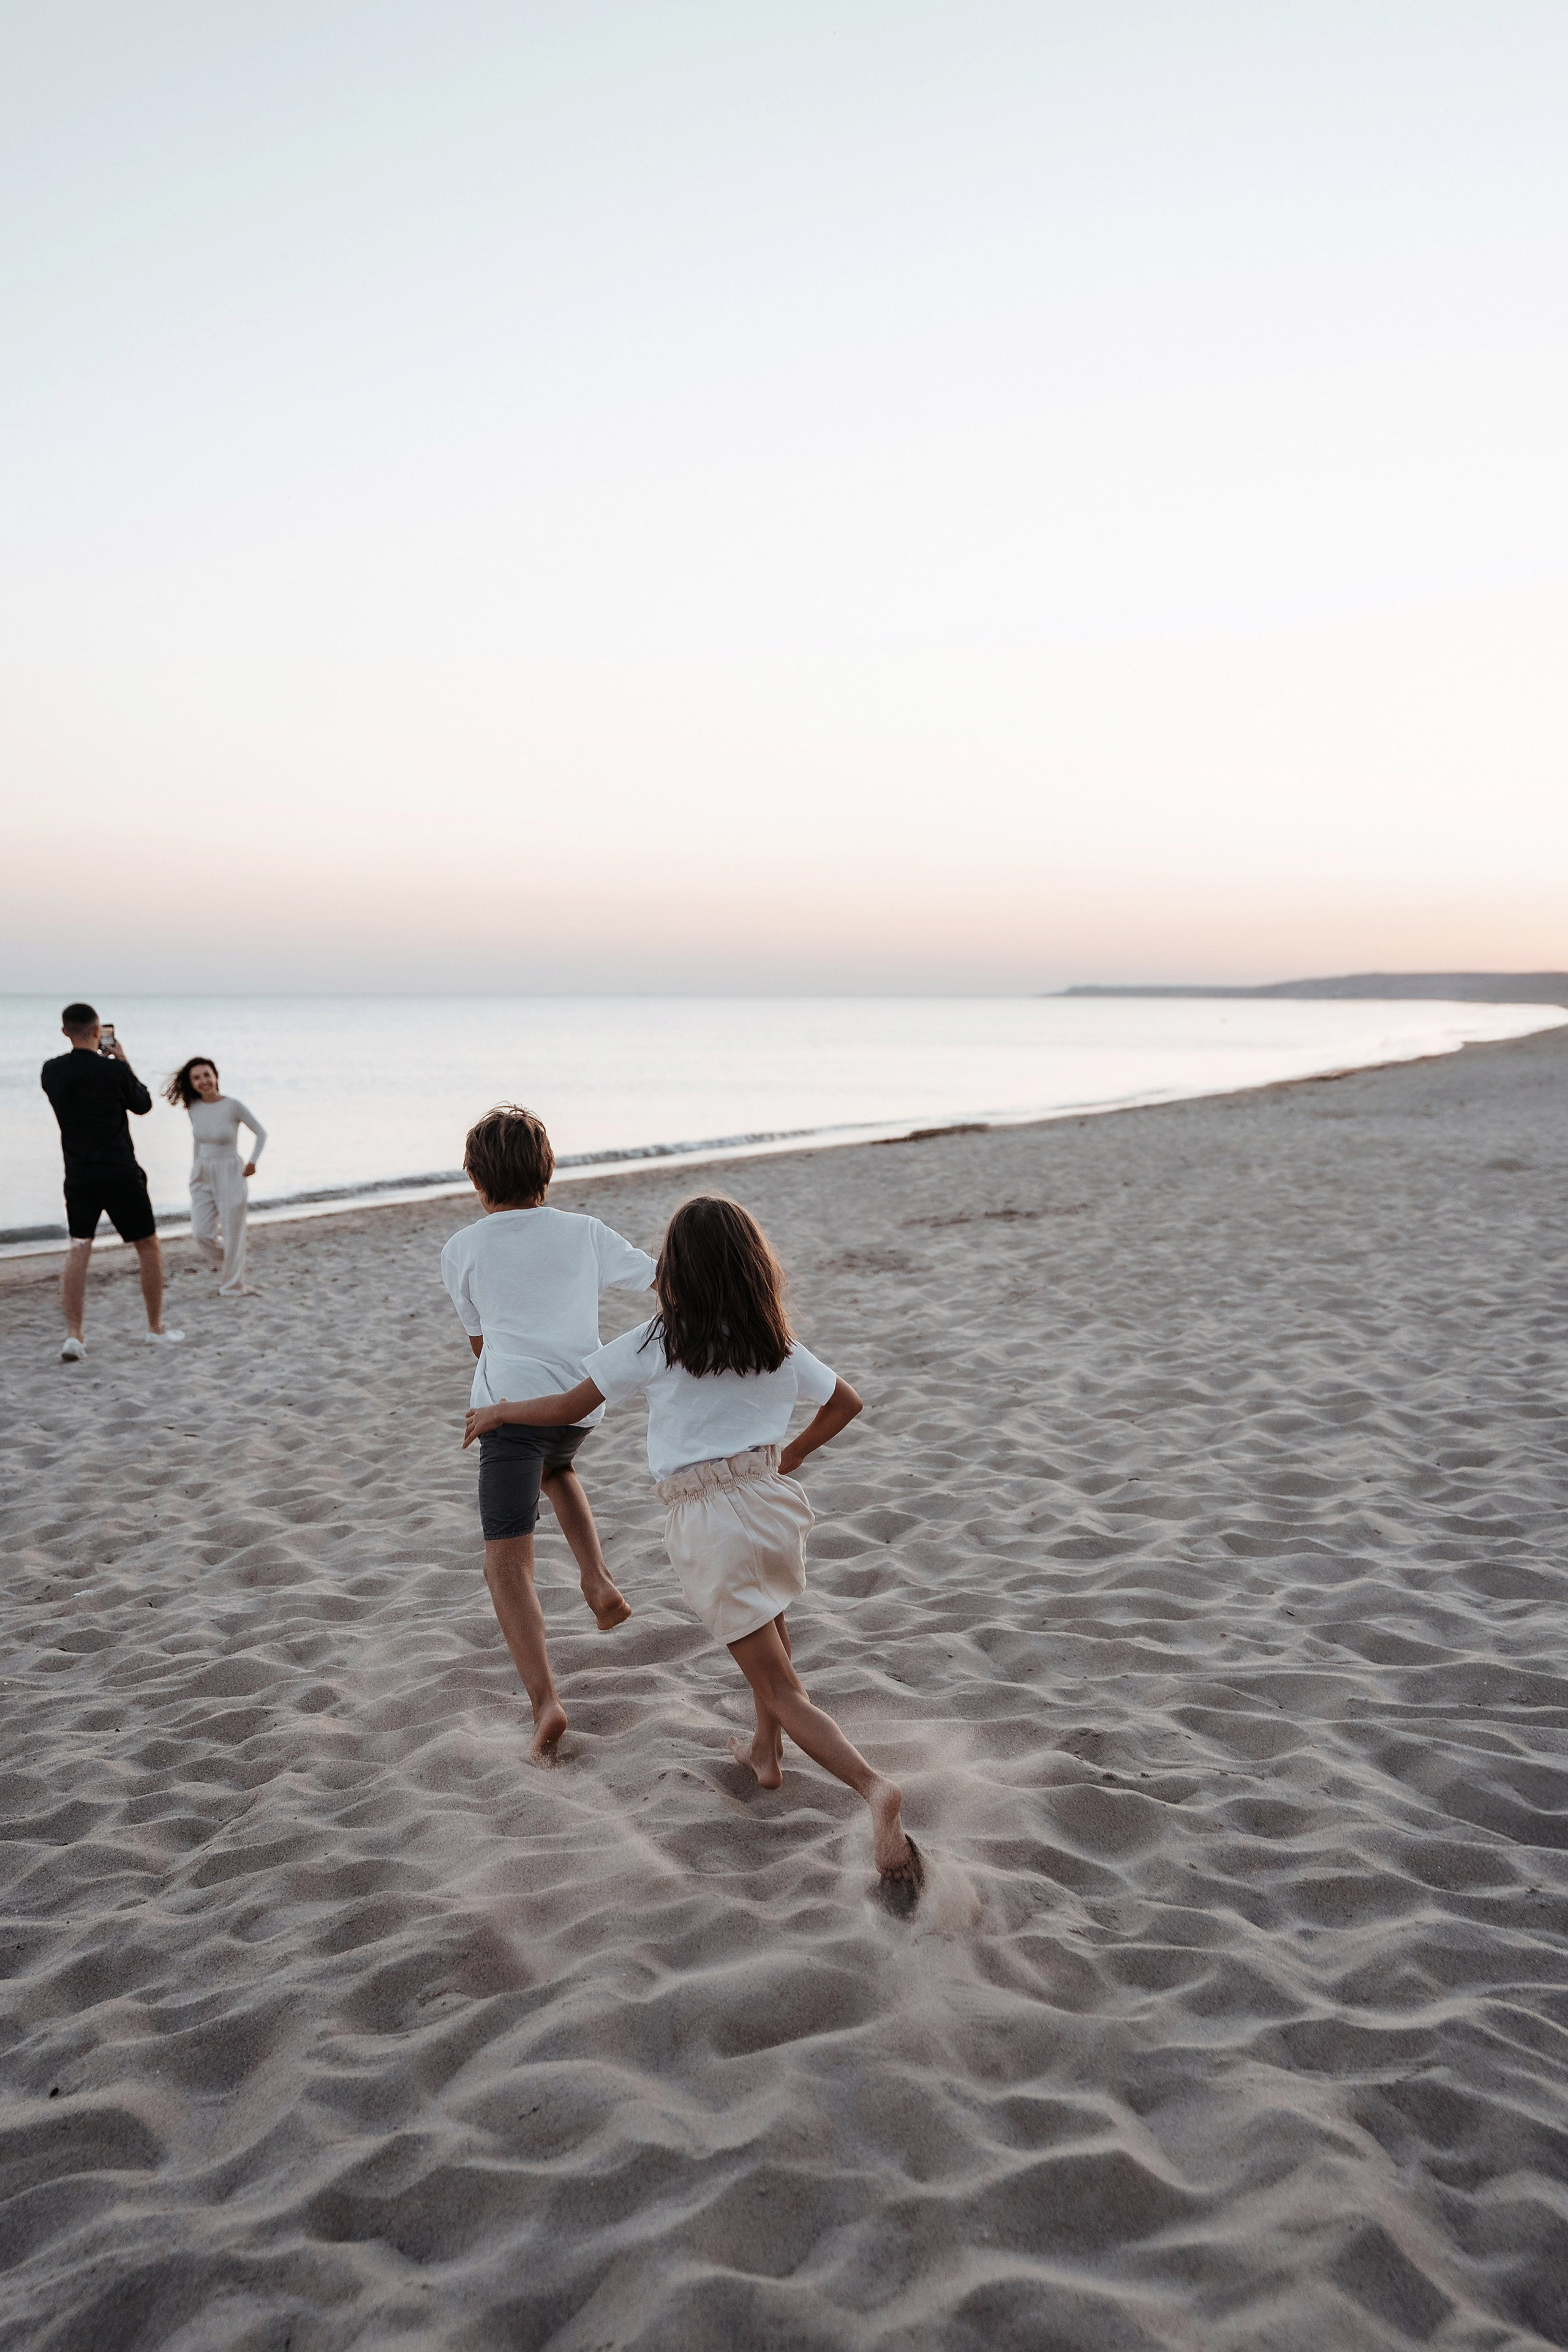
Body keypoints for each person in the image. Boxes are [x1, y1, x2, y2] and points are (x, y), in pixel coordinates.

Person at [462, 1193, 924, 1906]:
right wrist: (791, 1454)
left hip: (711, 1520)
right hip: (772, 1505)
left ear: (675, 1270)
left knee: (780, 1684)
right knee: (774, 1633)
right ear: (751, 1266)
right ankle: (765, 1754)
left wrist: (500, 1409)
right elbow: (847, 1401)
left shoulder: (658, 1341)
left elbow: (568, 1405)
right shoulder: (774, 1341)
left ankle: (874, 1787)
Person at [440, 1105, 658, 1760]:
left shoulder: (463, 1248)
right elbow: (661, 1279)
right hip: (581, 1401)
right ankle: (597, 1578)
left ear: (476, 1178)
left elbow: (481, 1342)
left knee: (506, 1561)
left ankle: (545, 1703)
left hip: (509, 1411)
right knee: (559, 1467)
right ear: (548, 1169)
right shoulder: (586, 1231)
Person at [39, 1004, 184, 1361]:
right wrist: (122, 1061)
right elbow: (143, 1104)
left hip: (79, 1175)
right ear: (98, 1029)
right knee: (148, 1246)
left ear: (64, 1032)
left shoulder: (51, 1071)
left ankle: (75, 1335)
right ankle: (155, 1328)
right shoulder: (114, 1070)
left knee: (79, 1248)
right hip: (120, 1171)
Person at [164, 1056, 267, 1295]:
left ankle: (233, 1285)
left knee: (233, 1232)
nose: (203, 1081)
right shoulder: (193, 1107)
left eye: (206, 1075)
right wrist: (194, 1171)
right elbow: (197, 1142)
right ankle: (234, 1265)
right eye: (197, 1078)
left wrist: (253, 1162)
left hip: (231, 1171)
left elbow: (261, 1133)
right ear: (191, 1083)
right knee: (201, 1233)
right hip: (203, 1172)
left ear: (216, 1076)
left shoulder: (233, 1106)